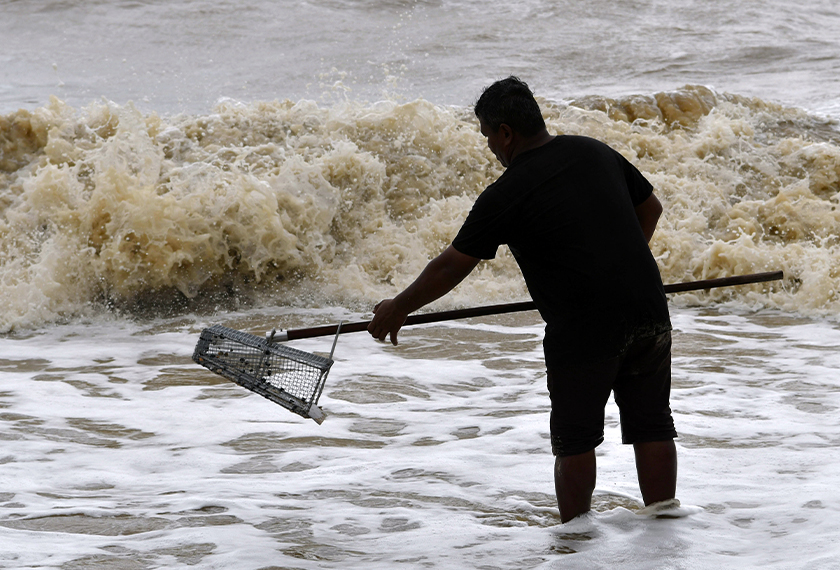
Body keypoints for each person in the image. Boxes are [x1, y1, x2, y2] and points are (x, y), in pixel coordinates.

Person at [367, 76, 677, 523]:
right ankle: (665, 526)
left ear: (506, 132)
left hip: (584, 327)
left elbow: (452, 265)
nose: (490, 146)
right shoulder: (593, 151)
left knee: (575, 439)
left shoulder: (507, 193)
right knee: (652, 424)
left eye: (488, 135)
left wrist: (398, 307)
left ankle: (577, 541)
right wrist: (614, 265)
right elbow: (651, 209)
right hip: (648, 306)